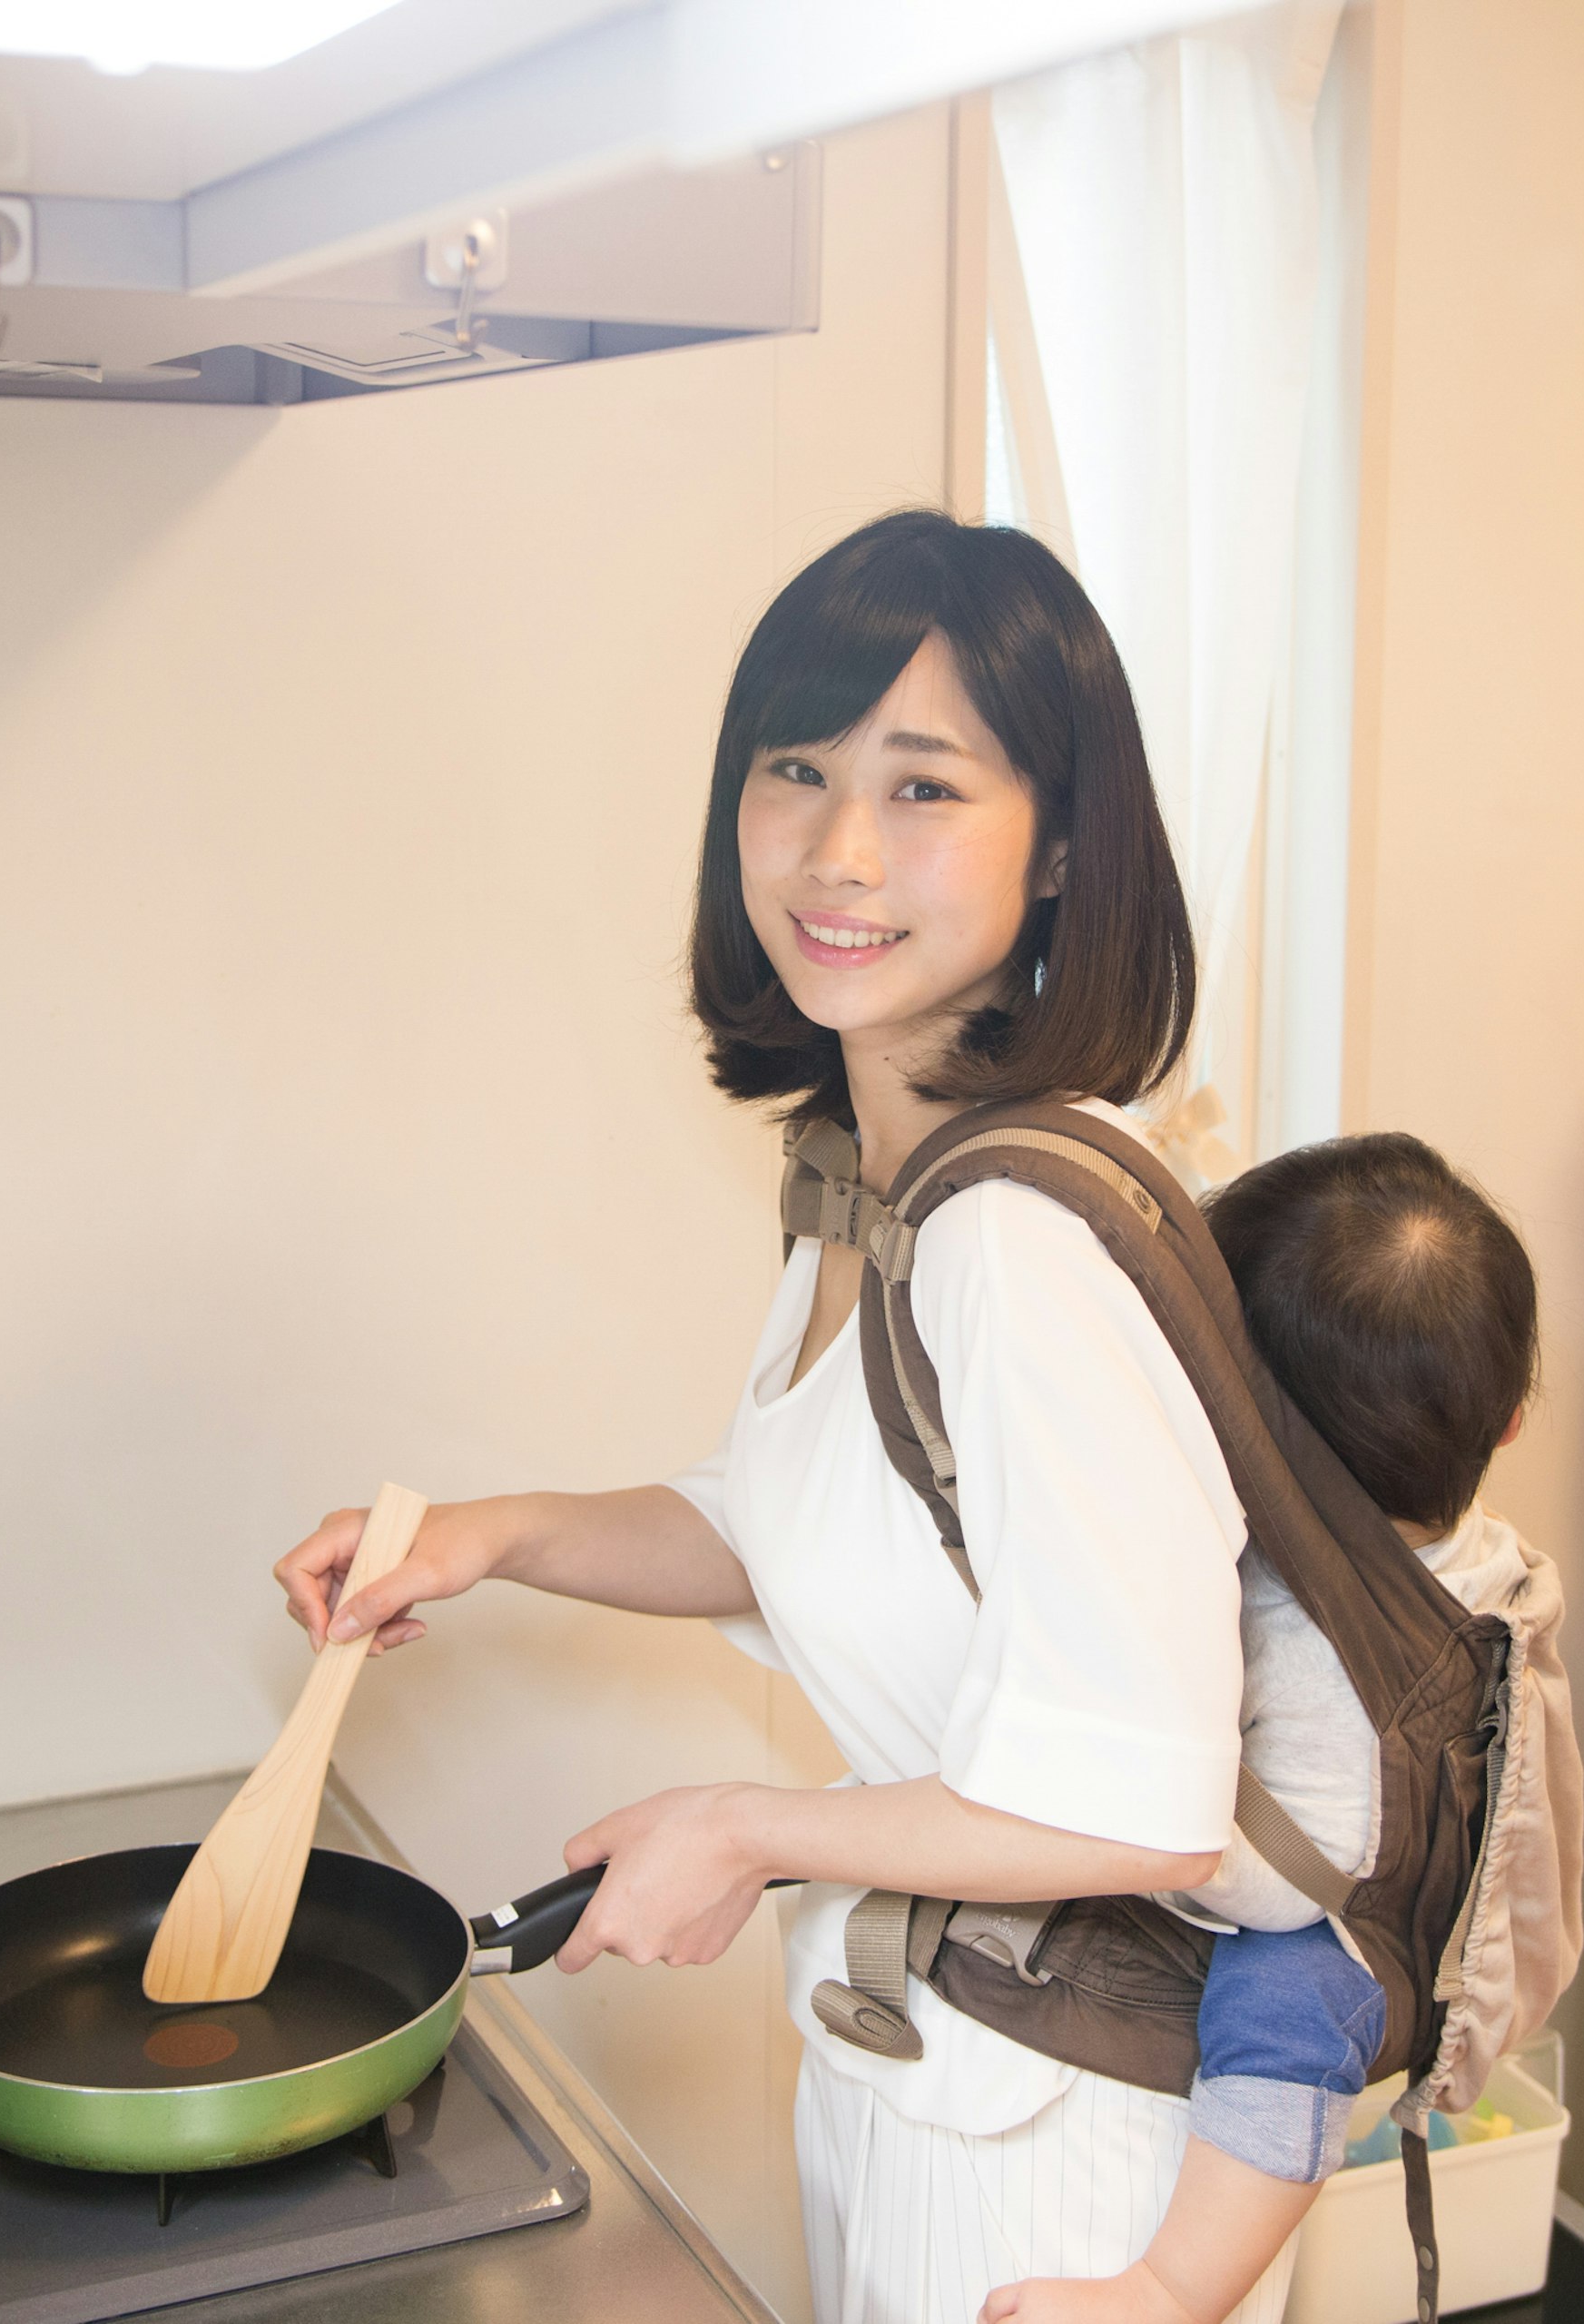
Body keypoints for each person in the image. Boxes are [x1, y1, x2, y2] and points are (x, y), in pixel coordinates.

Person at [273, 509, 1270, 2324]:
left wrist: (747, 1823)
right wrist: (494, 1536)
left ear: (1061, 849)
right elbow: (822, 1517)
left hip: (1059, 2165)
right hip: (926, 2077)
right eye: (795, 769)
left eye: (924, 787)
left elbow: (1141, 1804)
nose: (834, 847)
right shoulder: (879, 1171)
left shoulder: (1015, 1247)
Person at [984, 1132, 1542, 2324]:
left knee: (1281, 2013)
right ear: (1508, 1424)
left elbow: (1299, 1881)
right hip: (1378, 1841)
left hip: (1337, 1919)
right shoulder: (1438, 1524)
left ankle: (1172, 2289)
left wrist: (1157, 1835)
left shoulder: (1325, 1651)